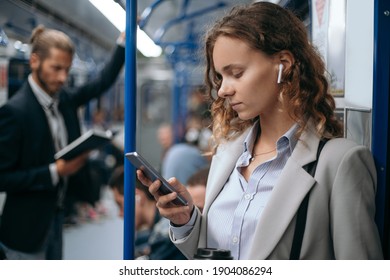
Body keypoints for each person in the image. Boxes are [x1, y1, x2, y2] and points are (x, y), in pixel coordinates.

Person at [137, 2, 383, 260]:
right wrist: (186, 221)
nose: (222, 90)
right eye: (221, 77)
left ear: (283, 64)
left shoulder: (340, 163)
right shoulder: (227, 153)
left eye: (237, 73)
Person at [0, 25, 125, 259]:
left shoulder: (64, 99)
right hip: (25, 229)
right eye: (56, 68)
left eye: (66, 70)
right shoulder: (14, 113)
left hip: (56, 216)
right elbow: (2, 177)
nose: (62, 78)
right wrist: (54, 172)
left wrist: (123, 43)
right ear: (34, 61)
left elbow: (101, 82)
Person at [108, 165, 186, 260]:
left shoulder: (164, 236)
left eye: (120, 205)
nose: (119, 214)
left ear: (137, 196)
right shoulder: (159, 230)